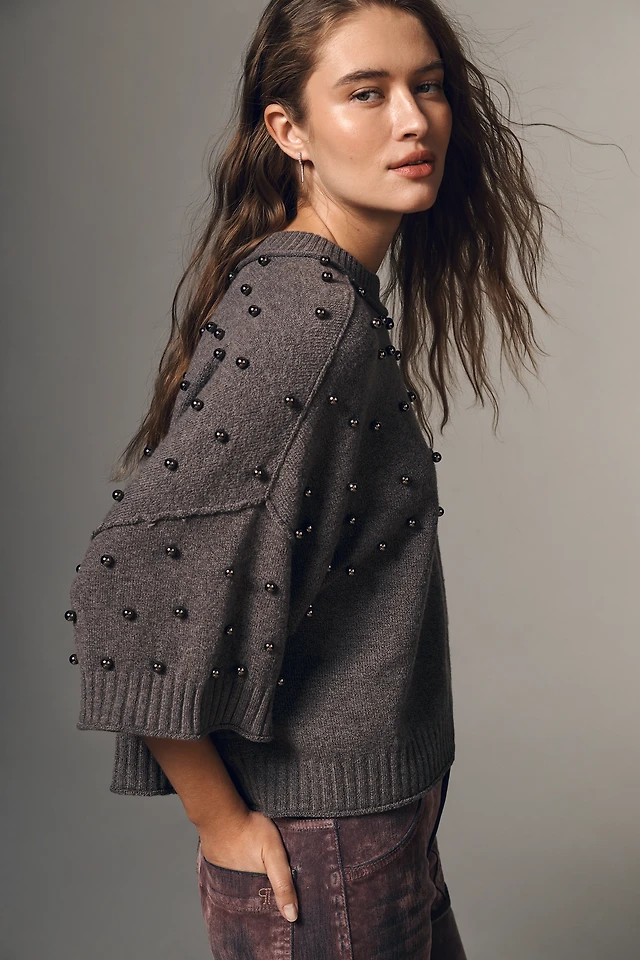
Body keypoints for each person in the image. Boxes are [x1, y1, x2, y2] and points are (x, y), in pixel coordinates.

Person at [66, 1, 557, 956]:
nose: (413, 120)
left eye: (427, 86)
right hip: (327, 847)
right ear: (288, 130)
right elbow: (126, 587)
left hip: (374, 827)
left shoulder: (318, 291)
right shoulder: (309, 318)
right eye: (366, 93)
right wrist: (220, 823)